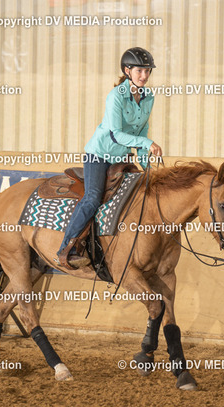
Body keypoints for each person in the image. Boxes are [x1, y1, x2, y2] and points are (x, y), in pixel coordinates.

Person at [57, 47, 163, 269]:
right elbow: (117, 135)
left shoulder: (149, 97)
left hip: (121, 158)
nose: (144, 76)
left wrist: (145, 164)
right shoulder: (115, 96)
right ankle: (66, 248)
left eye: (147, 71)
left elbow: (141, 131)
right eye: (139, 71)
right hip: (99, 156)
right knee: (93, 198)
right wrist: (147, 143)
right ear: (127, 71)